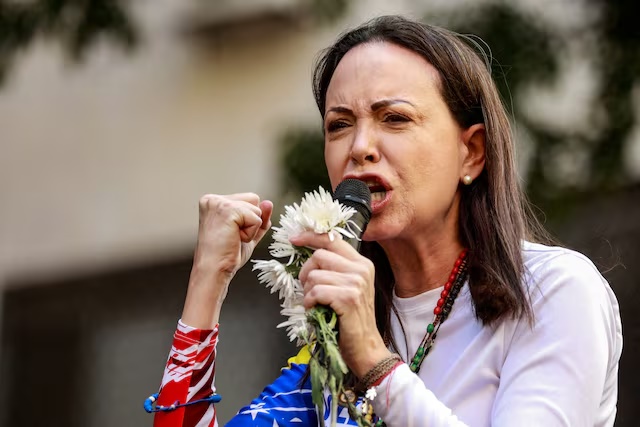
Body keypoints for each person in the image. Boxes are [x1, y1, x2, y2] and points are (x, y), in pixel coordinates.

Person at [148, 15, 622, 427]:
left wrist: (374, 363)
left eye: (394, 118)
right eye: (339, 125)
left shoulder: (553, 291)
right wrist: (208, 281)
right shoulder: (338, 332)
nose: (359, 147)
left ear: (471, 152)